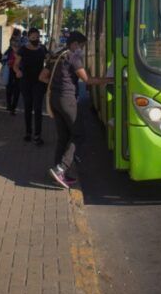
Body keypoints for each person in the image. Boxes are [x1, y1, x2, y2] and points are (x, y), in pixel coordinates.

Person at [44, 31, 112, 189]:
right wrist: (111, 79)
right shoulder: (72, 56)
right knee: (79, 134)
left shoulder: (56, 55)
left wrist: (58, 82)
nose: (82, 49)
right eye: (81, 46)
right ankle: (61, 169)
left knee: (63, 136)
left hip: (54, 98)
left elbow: (42, 76)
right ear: (75, 44)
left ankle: (58, 171)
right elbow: (87, 80)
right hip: (67, 100)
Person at [12, 27, 48, 145]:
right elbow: (15, 65)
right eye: (33, 38)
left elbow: (49, 61)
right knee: (28, 107)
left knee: (38, 108)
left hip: (39, 82)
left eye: (37, 37)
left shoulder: (42, 49)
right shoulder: (23, 50)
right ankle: (28, 132)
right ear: (28, 38)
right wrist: (17, 71)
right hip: (26, 82)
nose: (36, 39)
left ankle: (37, 135)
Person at [3, 38, 21, 115]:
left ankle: (13, 108)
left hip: (18, 72)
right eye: (13, 44)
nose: (15, 46)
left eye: (16, 44)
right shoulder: (8, 51)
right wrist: (8, 62)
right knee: (9, 89)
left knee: (17, 91)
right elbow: (3, 60)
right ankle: (9, 105)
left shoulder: (21, 52)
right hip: (10, 72)